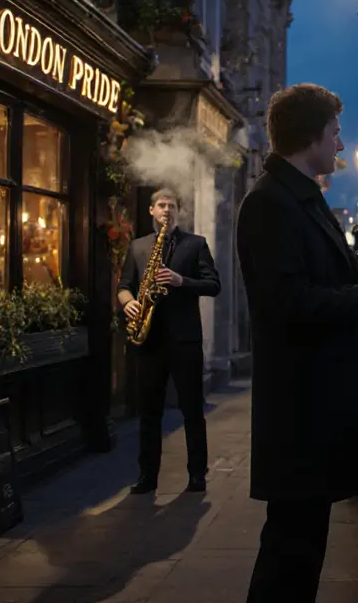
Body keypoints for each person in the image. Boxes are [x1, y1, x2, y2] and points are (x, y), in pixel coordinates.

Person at [236, 83, 358, 602]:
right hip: (302, 410)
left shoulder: (297, 198)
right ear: (311, 137)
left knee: (298, 550)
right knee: (289, 555)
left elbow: (323, 284)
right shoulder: (270, 205)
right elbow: (290, 305)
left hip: (313, 411)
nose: (342, 147)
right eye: (336, 134)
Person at [117, 188, 221, 494]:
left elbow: (213, 285)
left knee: (192, 410)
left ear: (178, 211)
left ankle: (197, 474)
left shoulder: (195, 244)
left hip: (184, 340)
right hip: (149, 339)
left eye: (172, 206)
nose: (166, 210)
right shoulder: (137, 247)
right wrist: (127, 302)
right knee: (149, 413)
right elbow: (124, 285)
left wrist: (181, 281)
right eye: (161, 205)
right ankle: (147, 476)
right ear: (151, 210)